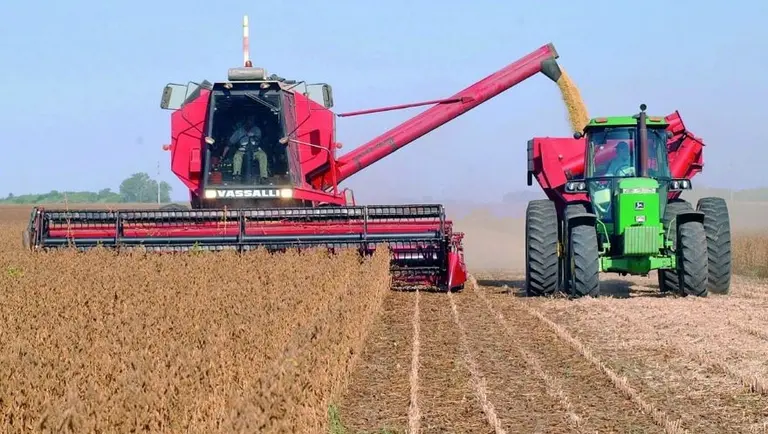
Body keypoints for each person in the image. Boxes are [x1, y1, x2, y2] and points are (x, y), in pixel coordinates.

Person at [221, 116, 269, 180]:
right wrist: (222, 156)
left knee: (263, 155)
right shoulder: (239, 131)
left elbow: (259, 138)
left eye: (251, 121)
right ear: (245, 122)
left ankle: (263, 176)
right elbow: (230, 143)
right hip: (242, 150)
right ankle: (236, 175)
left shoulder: (257, 130)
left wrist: (253, 135)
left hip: (255, 150)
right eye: (248, 121)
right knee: (237, 156)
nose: (250, 122)